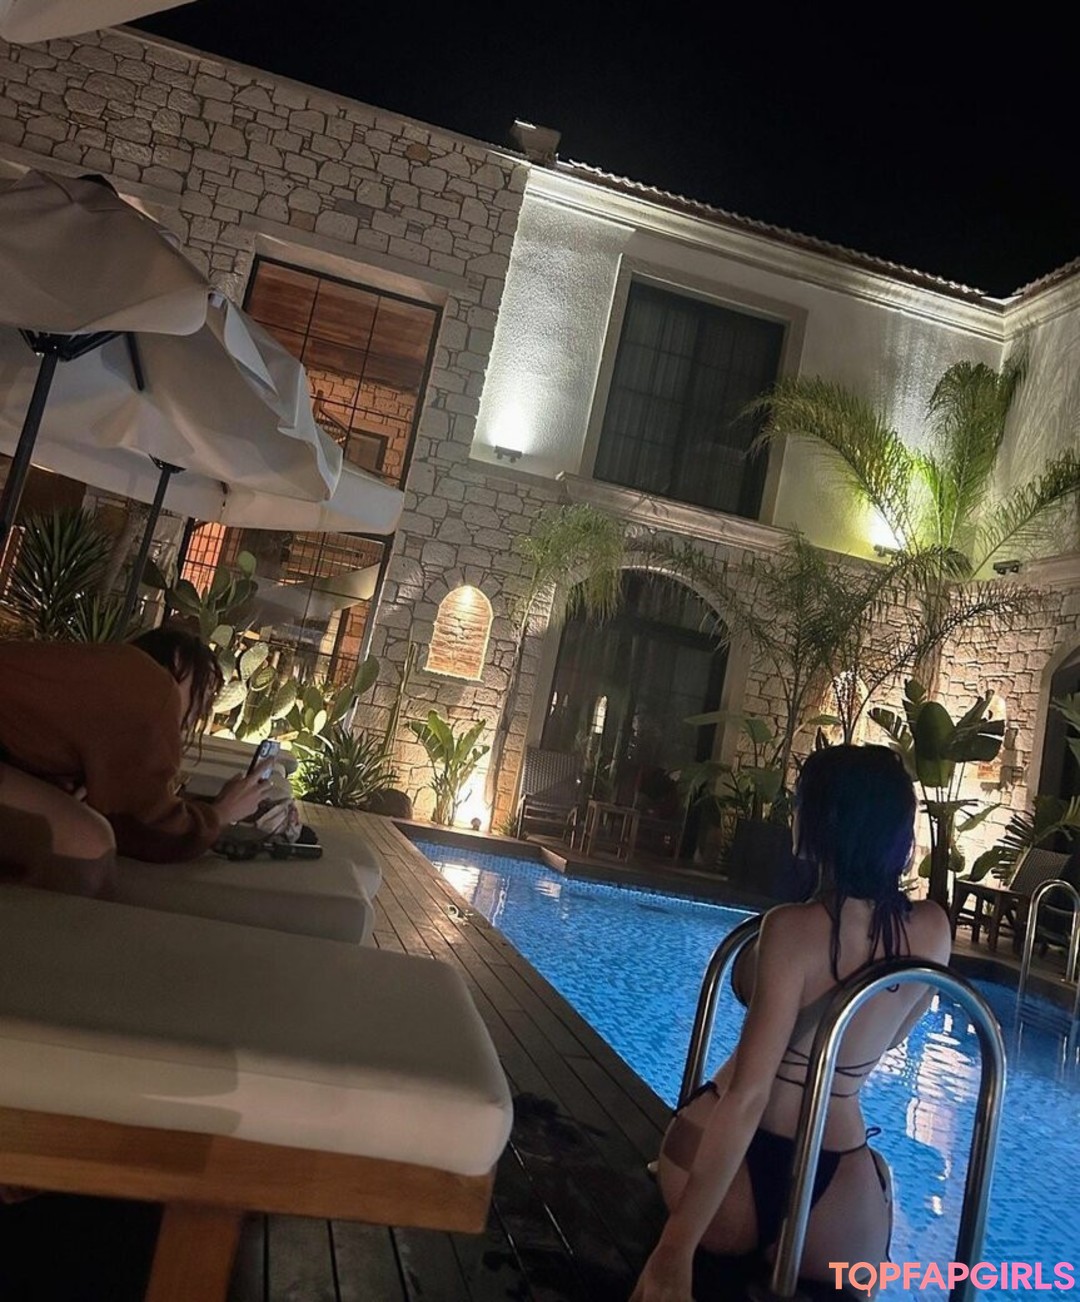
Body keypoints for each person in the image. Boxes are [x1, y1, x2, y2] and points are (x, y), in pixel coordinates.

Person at [631, 744, 952, 1301]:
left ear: (823, 821)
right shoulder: (933, 930)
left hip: (729, 1188)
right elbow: (897, 1036)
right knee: (870, 1222)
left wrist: (673, 1251)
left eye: (800, 803)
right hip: (836, 1201)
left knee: (717, 1114)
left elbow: (748, 1097)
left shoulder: (791, 929)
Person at [0, 626, 274, 896]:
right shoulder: (153, 689)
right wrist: (222, 814)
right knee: (86, 843)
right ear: (176, 662)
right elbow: (148, 825)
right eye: (203, 690)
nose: (199, 713)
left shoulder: (104, 683)